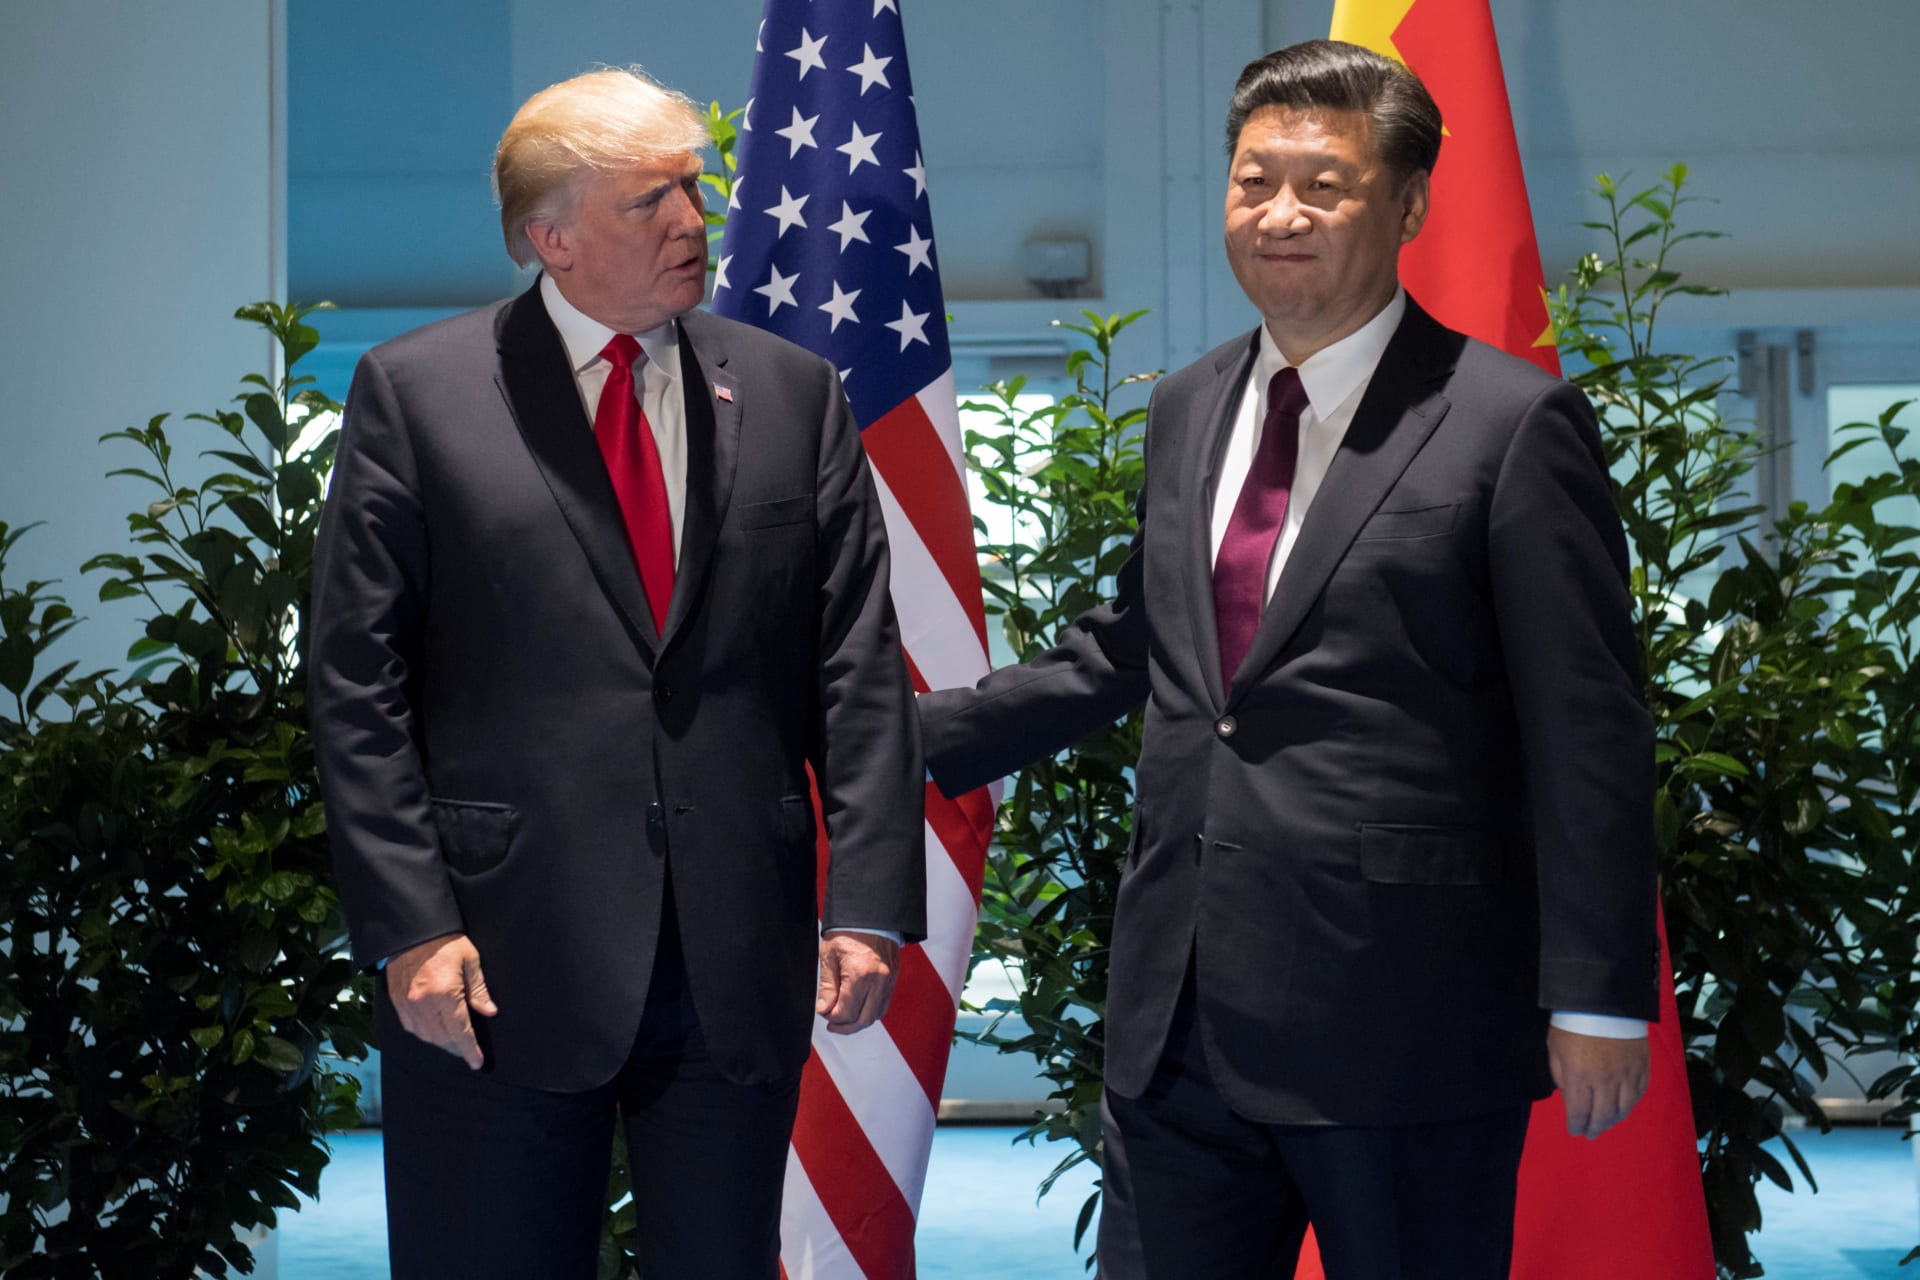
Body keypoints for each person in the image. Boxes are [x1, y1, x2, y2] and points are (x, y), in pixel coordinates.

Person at [918, 40, 1657, 1280]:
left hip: (1404, 1022)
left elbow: (1589, 728)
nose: (1281, 213)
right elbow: (1148, 643)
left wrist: (1594, 993)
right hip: (1179, 1021)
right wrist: (903, 735)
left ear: (1409, 205)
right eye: (1254, 181)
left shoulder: (1509, 423)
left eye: (1324, 184)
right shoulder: (1187, 407)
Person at [308, 67, 924, 1280]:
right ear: (552, 237)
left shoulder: (792, 392)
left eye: (695, 188)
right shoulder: (418, 393)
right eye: (652, 201)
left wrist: (865, 897)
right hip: (492, 957)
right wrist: (410, 925)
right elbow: (355, 685)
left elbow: (852, 662)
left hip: (733, 956)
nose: (695, 220)